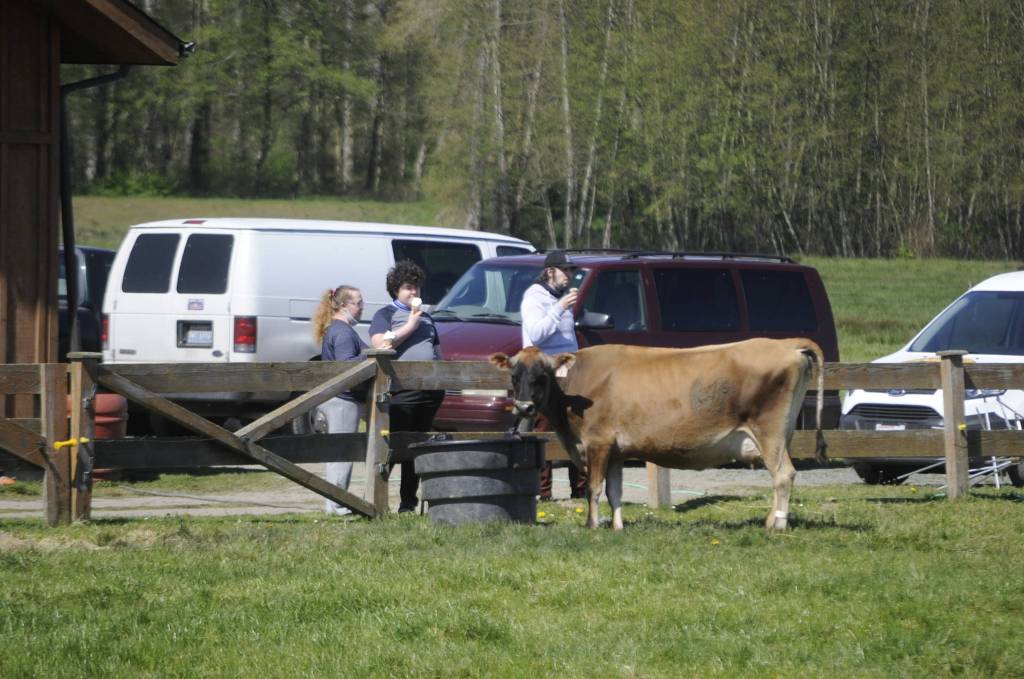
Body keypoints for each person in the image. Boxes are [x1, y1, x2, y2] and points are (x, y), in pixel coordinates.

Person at [369, 260, 444, 513]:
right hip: (402, 391)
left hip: (430, 391)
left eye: (417, 288)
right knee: (394, 445)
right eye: (408, 288)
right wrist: (410, 325)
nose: (414, 293)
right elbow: (381, 345)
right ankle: (374, 498)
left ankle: (408, 502)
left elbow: (436, 350)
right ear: (396, 290)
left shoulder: (428, 317)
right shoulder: (386, 315)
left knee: (416, 446)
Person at [520, 250, 588, 500]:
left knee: (576, 429)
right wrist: (559, 308)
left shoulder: (563, 298)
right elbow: (537, 334)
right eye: (565, 271)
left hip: (570, 372)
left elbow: (568, 339)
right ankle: (543, 493)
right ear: (550, 271)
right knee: (545, 431)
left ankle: (581, 492)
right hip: (545, 373)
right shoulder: (534, 297)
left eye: (571, 271)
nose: (569, 276)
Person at [312, 284, 368, 516]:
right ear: (344, 305)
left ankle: (334, 503)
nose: (362, 308)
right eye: (359, 303)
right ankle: (337, 504)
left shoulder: (336, 328)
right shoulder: (343, 332)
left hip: (337, 399)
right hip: (343, 400)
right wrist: (373, 353)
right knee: (342, 453)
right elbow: (348, 365)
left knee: (338, 452)